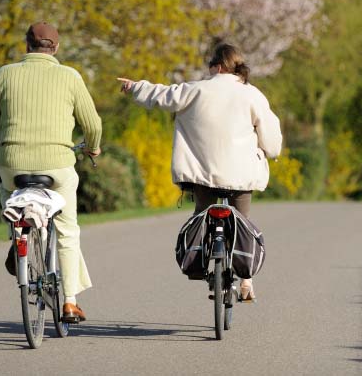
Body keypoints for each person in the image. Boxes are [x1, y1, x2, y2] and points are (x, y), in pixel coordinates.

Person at [118, 43, 282, 301]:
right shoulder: (253, 95)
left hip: (202, 174)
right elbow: (272, 142)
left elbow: (162, 95)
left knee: (201, 214)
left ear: (216, 67)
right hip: (240, 176)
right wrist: (269, 151)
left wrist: (134, 87)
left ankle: (199, 260)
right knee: (242, 222)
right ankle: (246, 280)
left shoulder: (195, 90)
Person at [0, 21, 102, 323]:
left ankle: (17, 233)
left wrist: (5, 151)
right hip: (57, 166)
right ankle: (70, 303)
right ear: (56, 48)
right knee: (67, 228)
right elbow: (93, 126)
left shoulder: (4, 74)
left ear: (26, 45)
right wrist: (93, 147)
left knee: (8, 195)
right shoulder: (70, 76)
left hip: (13, 164)